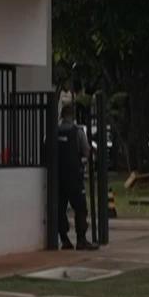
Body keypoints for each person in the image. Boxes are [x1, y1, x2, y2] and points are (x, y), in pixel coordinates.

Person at [53, 102, 96, 250]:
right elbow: (86, 151)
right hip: (74, 176)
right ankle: (81, 239)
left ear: (61, 116)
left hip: (57, 177)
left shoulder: (54, 131)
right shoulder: (77, 132)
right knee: (80, 208)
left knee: (59, 209)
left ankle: (64, 239)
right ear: (72, 116)